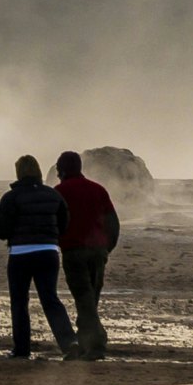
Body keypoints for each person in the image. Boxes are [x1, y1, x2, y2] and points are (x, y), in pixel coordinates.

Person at [0, 155, 77, 359]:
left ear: (19, 173)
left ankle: (21, 349)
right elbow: (64, 223)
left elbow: (1, 229)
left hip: (20, 253)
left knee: (20, 301)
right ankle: (69, 342)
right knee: (50, 298)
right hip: (48, 252)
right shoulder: (53, 195)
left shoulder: (11, 197)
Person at [54, 151, 120, 360]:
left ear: (63, 170)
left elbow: (55, 223)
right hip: (97, 251)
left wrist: (58, 243)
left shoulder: (59, 192)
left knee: (84, 298)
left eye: (58, 169)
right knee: (91, 298)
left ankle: (97, 344)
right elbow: (113, 223)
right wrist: (107, 248)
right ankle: (86, 342)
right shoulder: (98, 190)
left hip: (74, 251)